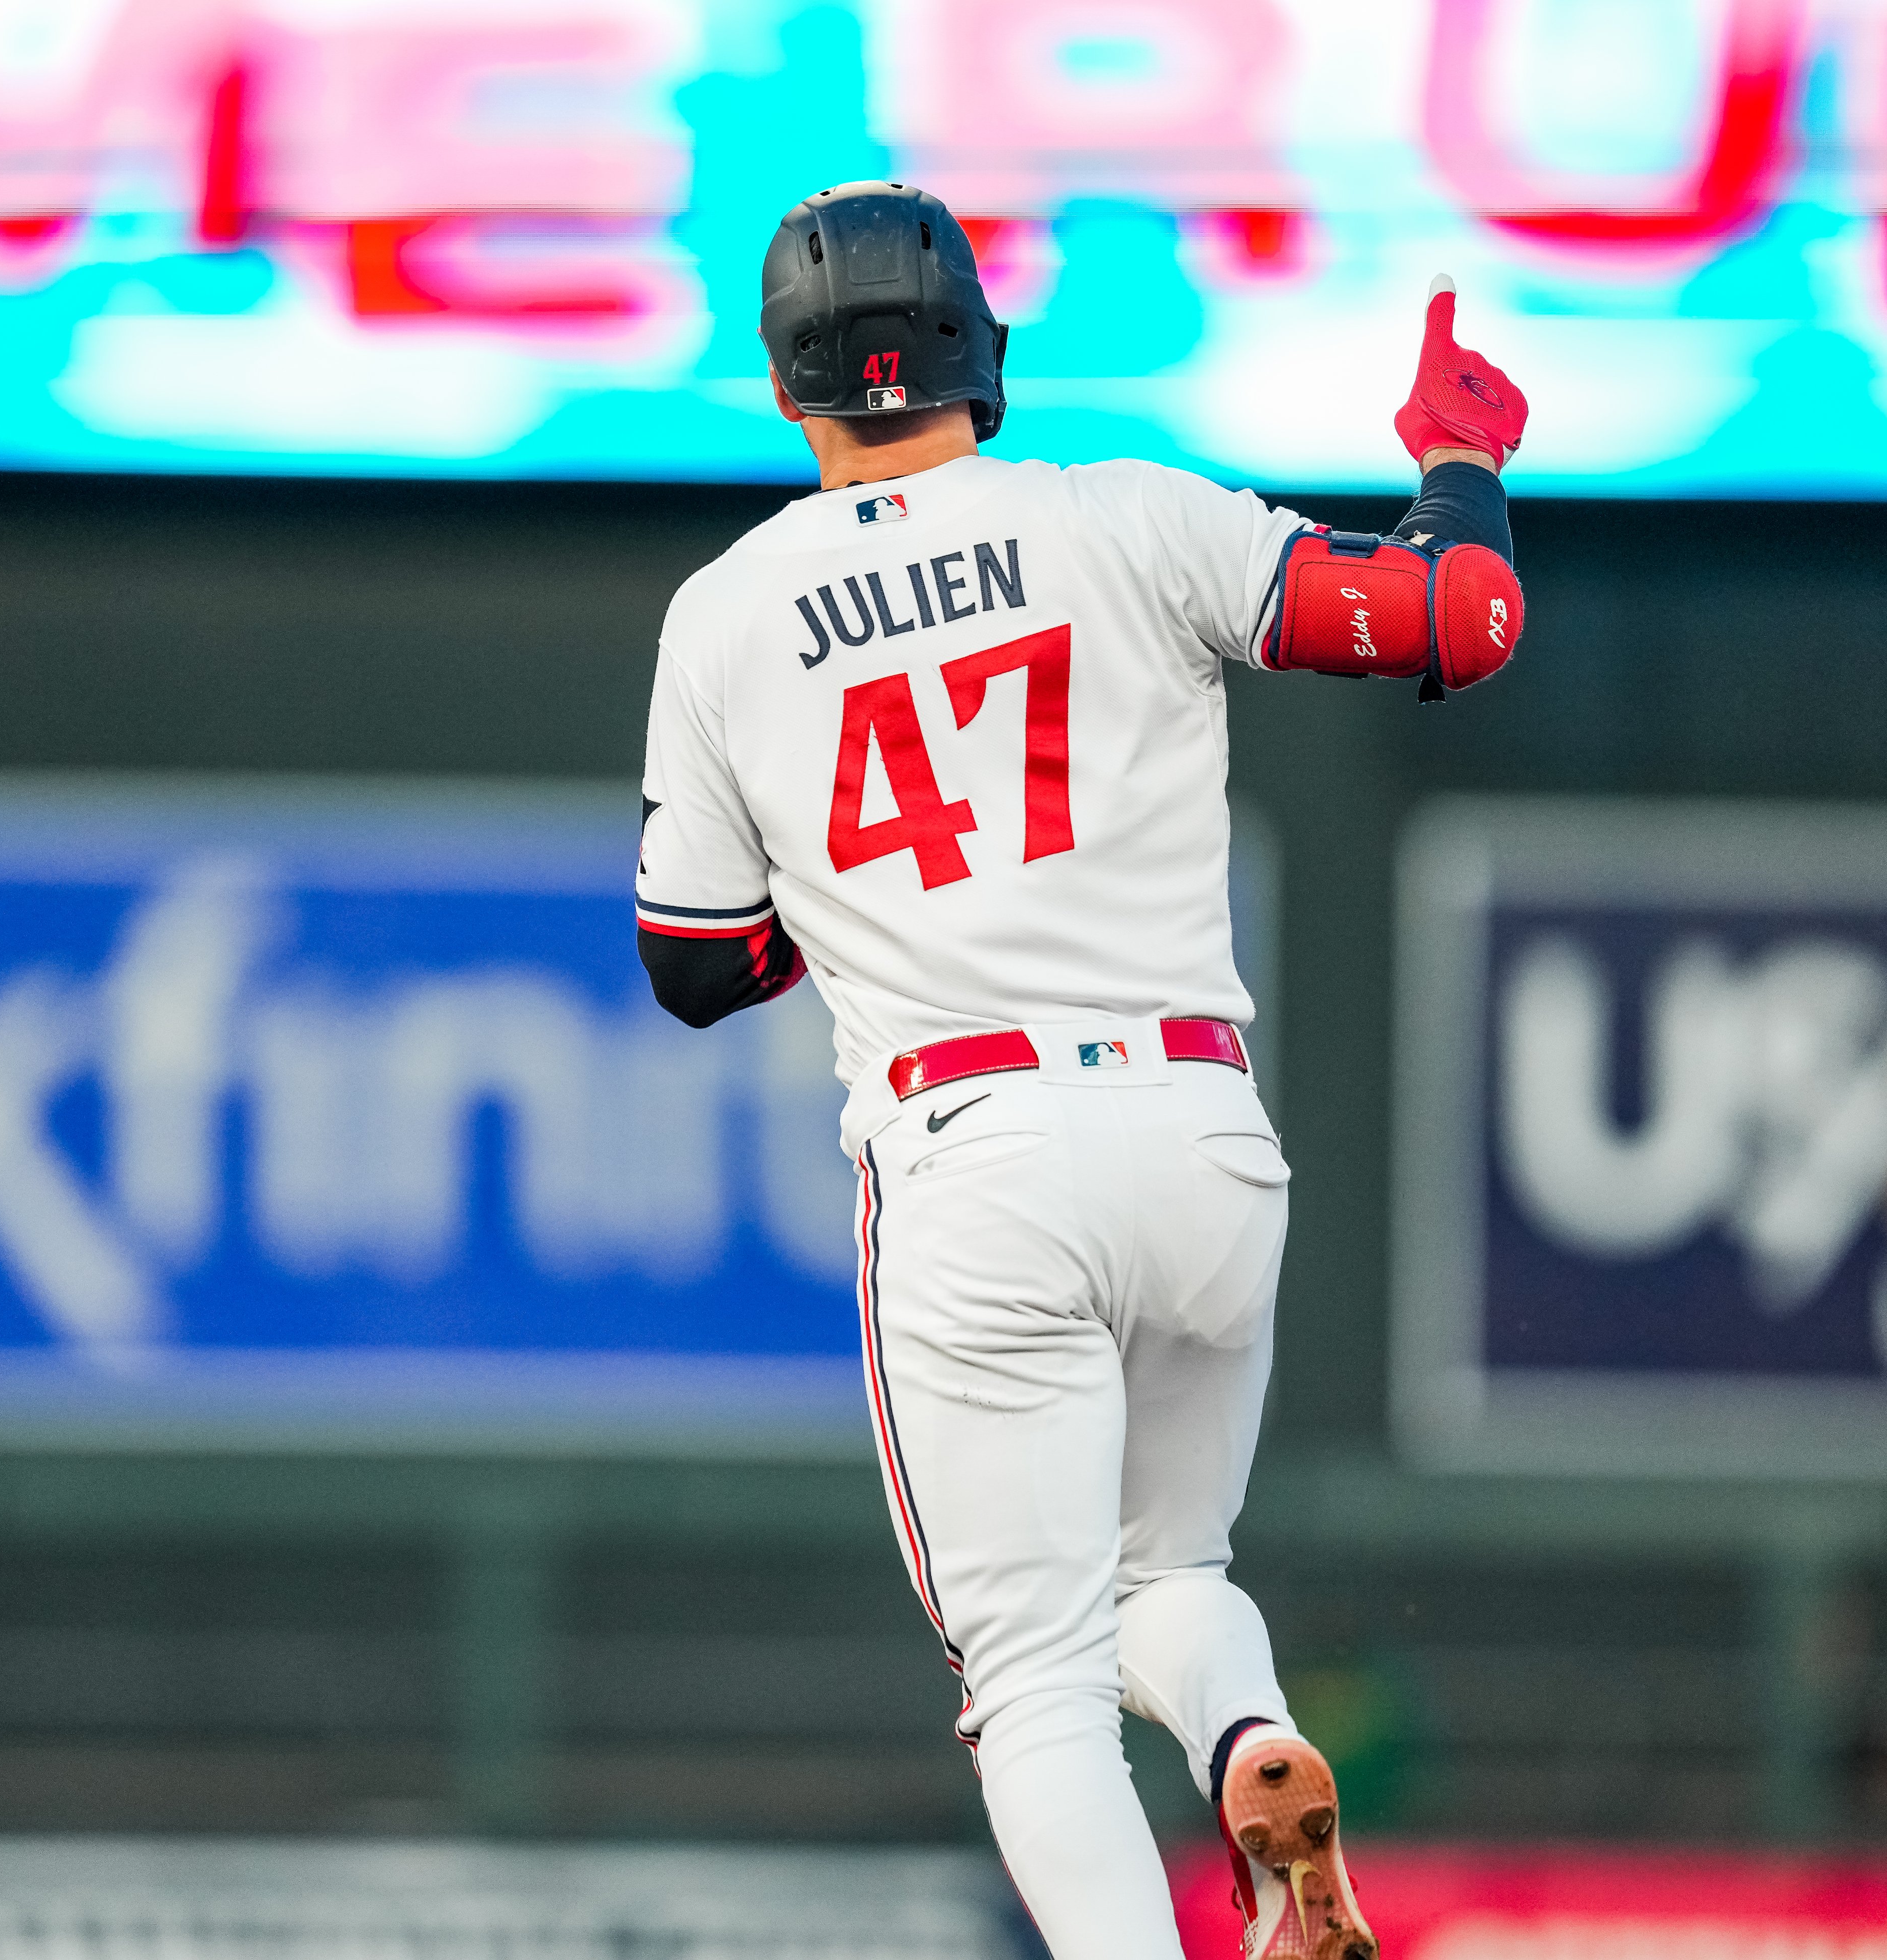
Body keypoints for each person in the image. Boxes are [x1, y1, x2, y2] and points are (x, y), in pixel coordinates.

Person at [635, 182, 1528, 1960]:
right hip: (1200, 1133)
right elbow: (1457, 620)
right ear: (985, 348)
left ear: (788, 387)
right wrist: (1458, 463)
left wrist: (856, 887)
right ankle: (1250, 1737)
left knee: (1032, 1688)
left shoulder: (729, 616)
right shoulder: (1132, 519)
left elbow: (697, 962)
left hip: (976, 1148)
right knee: (1168, 1583)